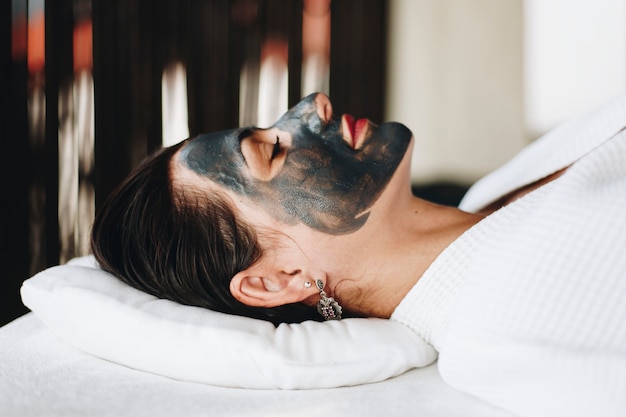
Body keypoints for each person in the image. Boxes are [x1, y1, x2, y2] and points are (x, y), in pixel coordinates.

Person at [92, 92, 626, 416]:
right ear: (278, 279)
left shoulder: (497, 188)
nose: (314, 105)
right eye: (272, 150)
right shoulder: (505, 333)